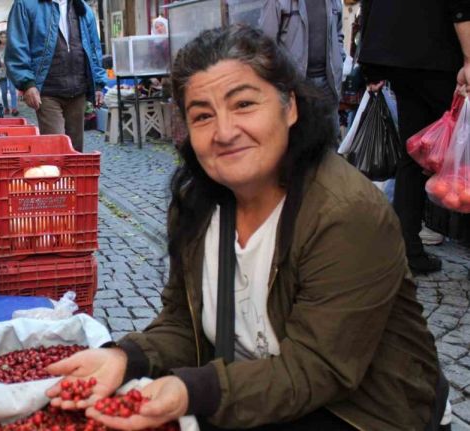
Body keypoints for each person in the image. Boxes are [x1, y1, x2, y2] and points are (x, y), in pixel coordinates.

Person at [44, 25, 450, 431]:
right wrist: (125, 358)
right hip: (255, 392)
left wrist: (191, 391)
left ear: (289, 107)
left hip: (360, 410)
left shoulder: (344, 213)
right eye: (202, 115)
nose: (224, 132)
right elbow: (183, 321)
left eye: (243, 105)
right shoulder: (197, 204)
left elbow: (318, 367)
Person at [358, 0, 470, 274]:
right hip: (441, 55)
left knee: (414, 153)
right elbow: (461, 7)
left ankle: (408, 248)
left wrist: (371, 65)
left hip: (399, 58)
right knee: (462, 153)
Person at [6, 0, 108, 152]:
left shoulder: (82, 8)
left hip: (78, 91)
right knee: (56, 150)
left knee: (75, 152)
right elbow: (17, 46)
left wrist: (98, 84)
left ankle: (73, 177)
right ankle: (53, 175)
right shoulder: (25, 5)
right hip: (47, 93)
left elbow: (94, 48)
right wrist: (27, 84)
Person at [259, 0, 345, 130]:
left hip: (328, 85)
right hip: (295, 87)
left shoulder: (334, 2)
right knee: (299, 141)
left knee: (330, 140)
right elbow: (266, 44)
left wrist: (339, 58)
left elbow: (338, 33)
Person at [0, 31, 18, 116]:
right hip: (0, 72)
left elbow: (16, 58)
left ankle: (14, 108)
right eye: (1, 37)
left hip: (11, 70)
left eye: (5, 37)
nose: (3, 38)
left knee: (13, 90)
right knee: (4, 91)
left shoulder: (11, 47)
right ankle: (6, 107)